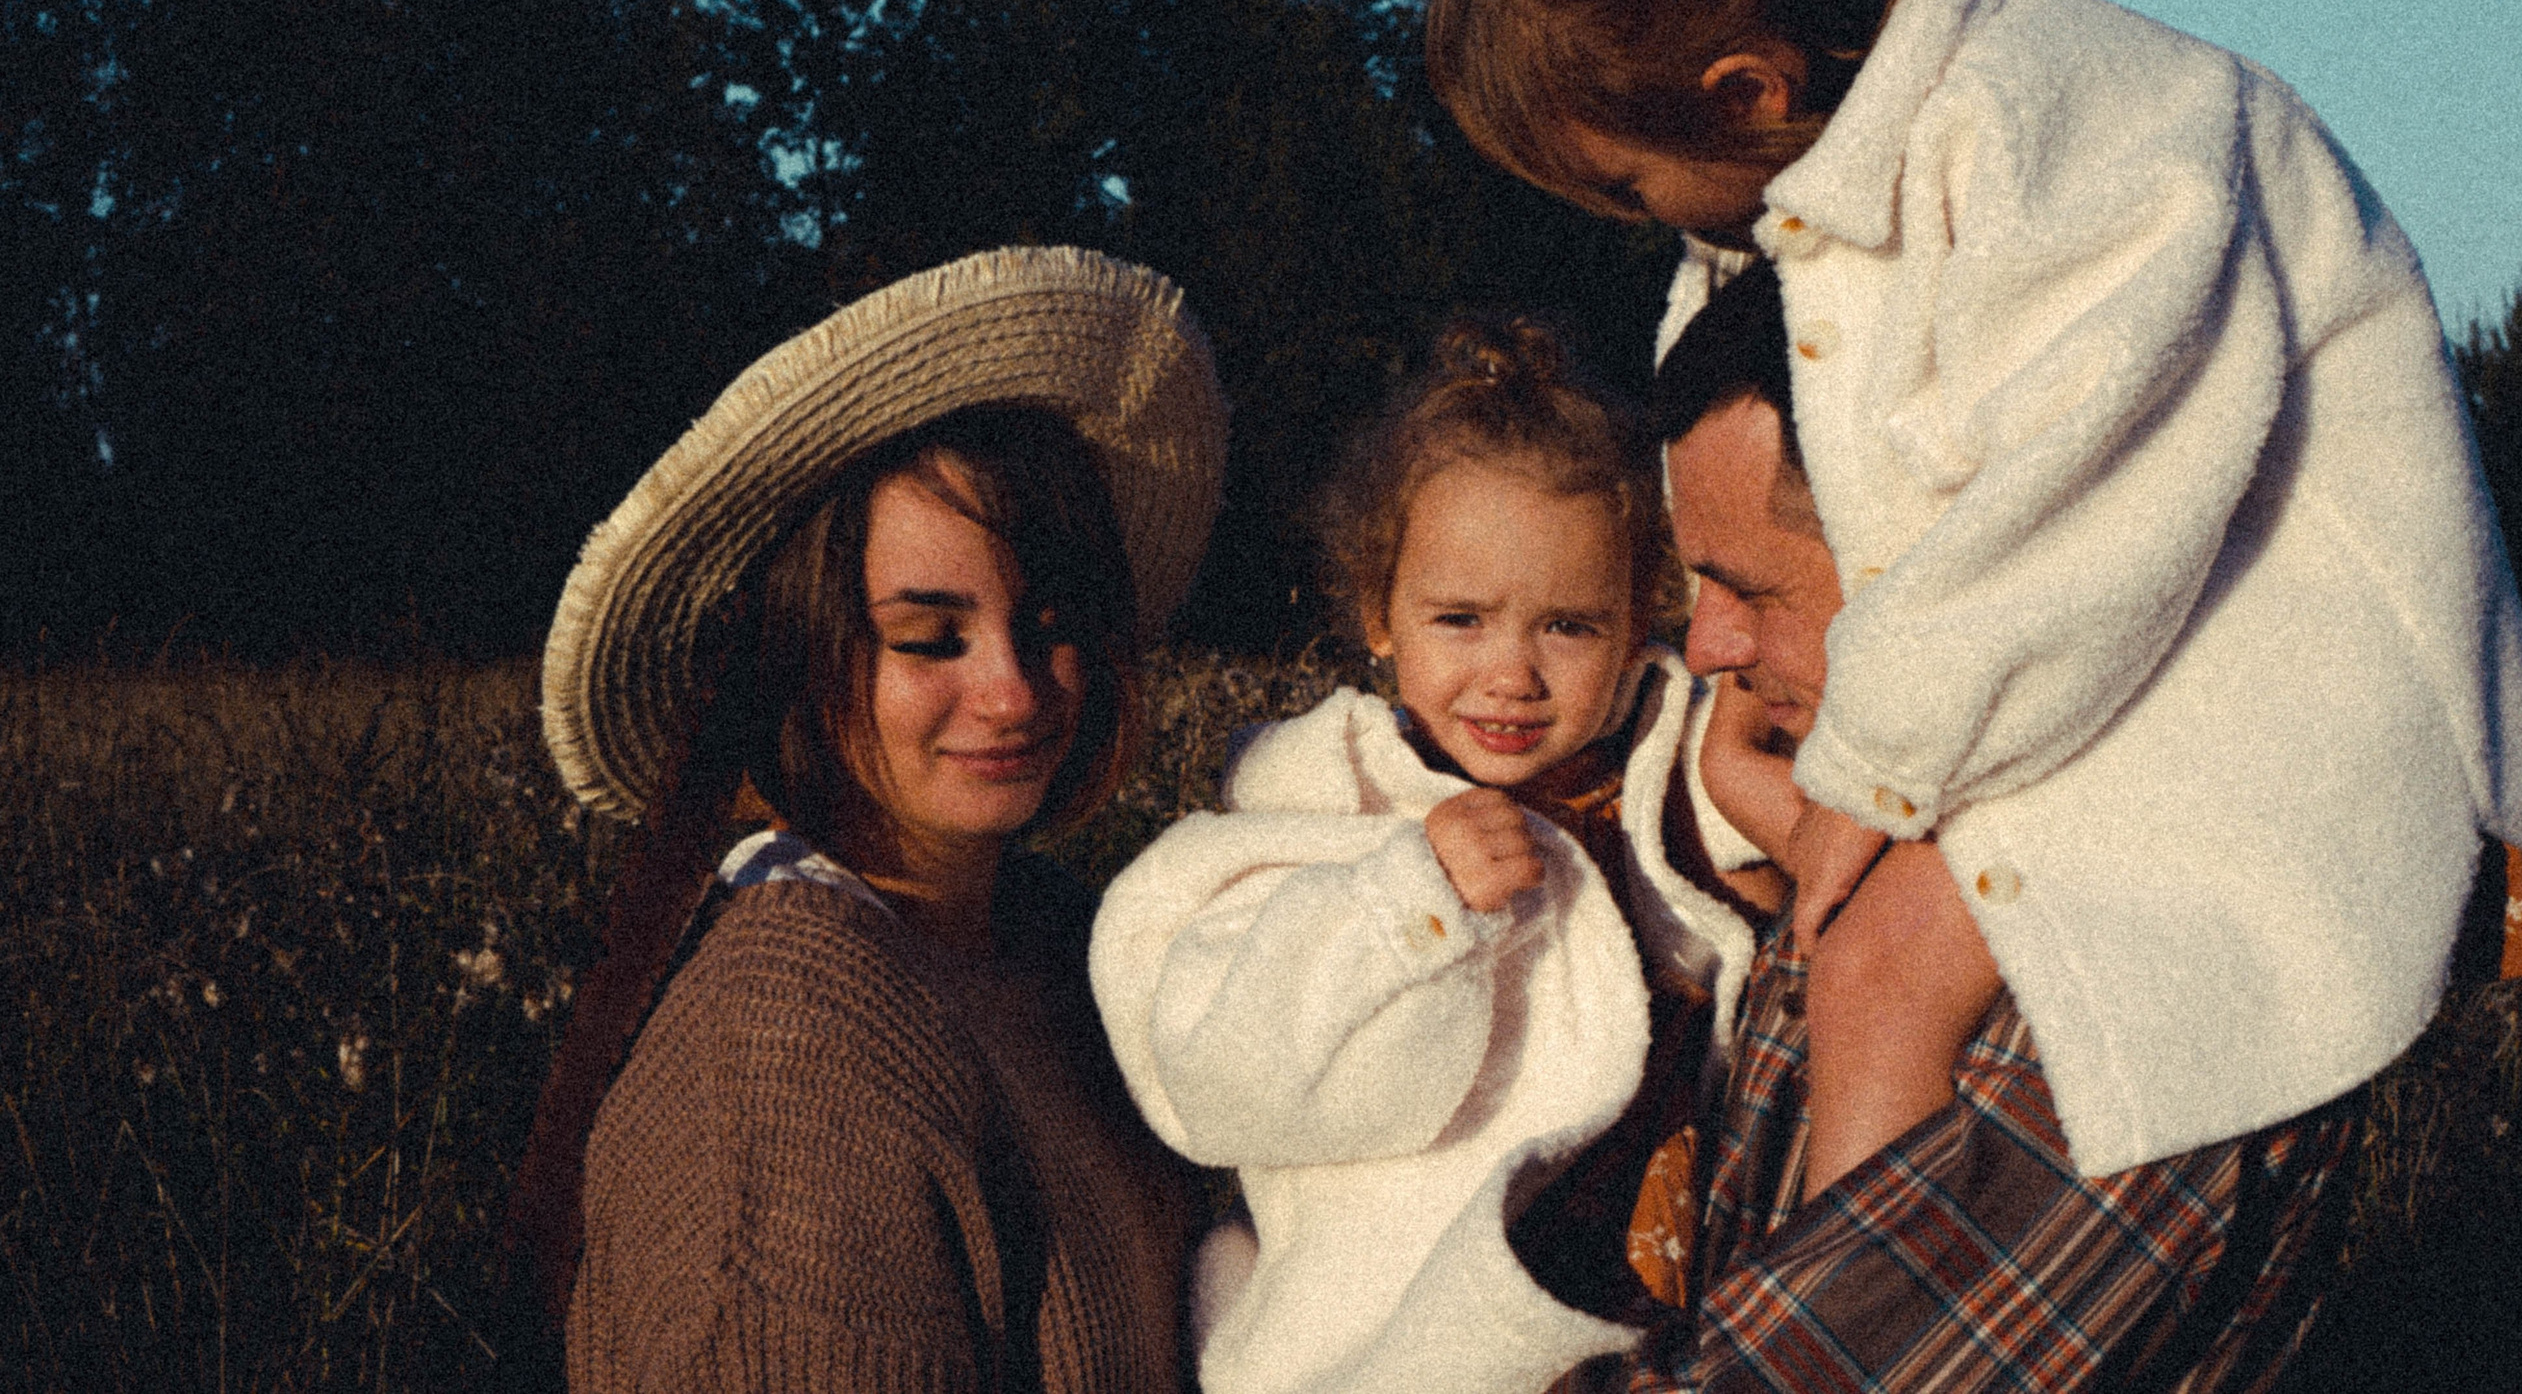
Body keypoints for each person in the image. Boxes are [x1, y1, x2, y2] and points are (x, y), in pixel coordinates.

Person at [1426, 0, 2522, 1205]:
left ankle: (1852, 1303)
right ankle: (1781, 1265)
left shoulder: (2082, 126)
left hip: (2282, 684)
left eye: (1628, 183)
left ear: (1748, 90)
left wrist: (1876, 768)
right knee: (1820, 923)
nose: (1639, 222)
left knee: (1887, 963)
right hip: (2117, 657)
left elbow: (2080, 507)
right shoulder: (1814, 189)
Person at [503, 247, 1228, 1394]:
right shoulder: (790, 1040)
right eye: (928, 637)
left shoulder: (1057, 941)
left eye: (1048, 622)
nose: (1014, 690)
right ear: (799, 653)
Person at [1624, 277, 2366, 1389]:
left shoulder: (2127, 976)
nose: (1710, 649)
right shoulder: (1897, 836)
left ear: (1946, 563)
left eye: (1750, 590)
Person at [1090, 320, 1783, 1394]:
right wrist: (1407, 903)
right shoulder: (1326, 801)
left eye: (1568, 626)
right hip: (1400, 1328)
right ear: (1379, 614)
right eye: (1459, 619)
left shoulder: (1663, 764)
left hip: (1646, 1293)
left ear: (1641, 616)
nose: (1511, 674)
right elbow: (1228, 1075)